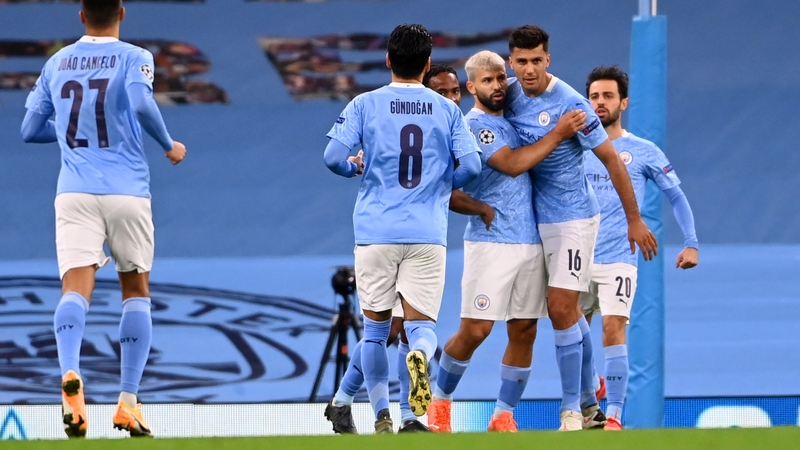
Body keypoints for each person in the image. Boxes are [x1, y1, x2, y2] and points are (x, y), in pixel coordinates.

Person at [20, 0, 186, 439]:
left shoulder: (57, 63)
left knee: (75, 286)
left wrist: (67, 134)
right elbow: (140, 102)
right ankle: (128, 402)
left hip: (73, 191)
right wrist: (168, 144)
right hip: (127, 191)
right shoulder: (135, 57)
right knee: (136, 288)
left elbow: (29, 129)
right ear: (122, 13)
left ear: (80, 16)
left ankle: (70, 373)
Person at [323, 23, 481, 434]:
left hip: (375, 230)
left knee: (376, 332)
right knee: (420, 328)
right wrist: (441, 184)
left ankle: (381, 416)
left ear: (388, 59)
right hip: (427, 232)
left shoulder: (365, 103)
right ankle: (418, 372)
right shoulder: (446, 109)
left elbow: (332, 156)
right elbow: (474, 166)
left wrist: (352, 167)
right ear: (427, 64)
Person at [503, 25, 658, 431]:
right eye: (522, 61)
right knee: (536, 317)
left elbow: (611, 159)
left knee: (561, 309)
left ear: (548, 60)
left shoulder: (572, 104)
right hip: (531, 219)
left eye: (537, 60)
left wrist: (634, 219)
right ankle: (590, 402)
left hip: (574, 218)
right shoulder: (509, 95)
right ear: (511, 62)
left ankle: (571, 408)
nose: (530, 69)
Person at [425, 50, 587, 433]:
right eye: (487, 80)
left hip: (530, 240)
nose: (497, 86)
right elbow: (512, 164)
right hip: (491, 244)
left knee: (524, 329)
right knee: (476, 330)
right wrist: (559, 132)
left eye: (500, 78)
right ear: (471, 87)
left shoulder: (514, 117)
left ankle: (503, 415)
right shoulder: (474, 127)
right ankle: (440, 402)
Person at [581, 65, 699, 430]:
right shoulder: (574, 145)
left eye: (608, 96)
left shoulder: (642, 150)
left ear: (624, 102)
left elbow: (676, 196)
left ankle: (614, 415)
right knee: (573, 335)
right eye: (595, 97)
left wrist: (691, 243)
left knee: (612, 330)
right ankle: (587, 396)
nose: (600, 103)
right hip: (574, 258)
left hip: (618, 257)